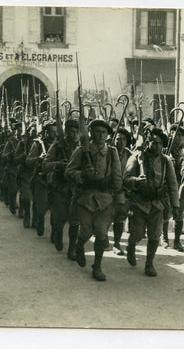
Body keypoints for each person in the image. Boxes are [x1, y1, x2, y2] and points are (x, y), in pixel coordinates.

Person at [65, 120, 126, 281]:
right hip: (85, 198)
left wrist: (120, 201)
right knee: (85, 232)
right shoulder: (81, 151)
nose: (100, 135)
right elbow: (69, 171)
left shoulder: (112, 153)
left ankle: (97, 266)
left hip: (105, 200)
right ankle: (79, 246)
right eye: (97, 131)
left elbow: (118, 178)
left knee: (101, 233)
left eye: (104, 132)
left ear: (107, 135)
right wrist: (83, 175)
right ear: (90, 133)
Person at [124, 128, 179, 277]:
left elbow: (173, 184)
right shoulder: (136, 158)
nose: (156, 146)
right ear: (147, 142)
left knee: (155, 235)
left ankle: (149, 263)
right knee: (137, 233)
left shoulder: (166, 161)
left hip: (157, 203)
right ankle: (131, 245)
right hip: (139, 202)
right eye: (153, 142)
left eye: (160, 143)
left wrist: (176, 206)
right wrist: (135, 180)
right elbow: (125, 179)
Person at [43, 119, 80, 253]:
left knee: (75, 220)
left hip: (76, 188)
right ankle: (58, 235)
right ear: (65, 131)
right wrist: (58, 164)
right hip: (59, 188)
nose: (74, 135)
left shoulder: (82, 147)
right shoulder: (57, 146)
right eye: (71, 131)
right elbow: (45, 165)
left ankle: (72, 248)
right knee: (60, 218)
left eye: (77, 132)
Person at [26, 120, 57, 236]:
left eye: (55, 131)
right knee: (41, 205)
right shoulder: (38, 144)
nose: (54, 134)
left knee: (55, 208)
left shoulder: (59, 145)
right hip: (41, 180)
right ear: (45, 132)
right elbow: (28, 161)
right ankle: (39, 220)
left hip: (55, 181)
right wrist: (39, 158)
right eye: (51, 132)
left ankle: (55, 232)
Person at [163, 122, 184, 251]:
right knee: (166, 211)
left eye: (181, 135)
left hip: (181, 185)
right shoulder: (164, 150)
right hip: (167, 186)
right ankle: (164, 237)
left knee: (179, 212)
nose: (178, 138)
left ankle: (177, 240)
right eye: (175, 134)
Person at [111, 127, 133, 255]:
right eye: (118, 139)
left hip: (121, 190)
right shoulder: (108, 151)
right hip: (107, 188)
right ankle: (101, 238)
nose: (121, 142)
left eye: (124, 139)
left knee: (120, 216)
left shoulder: (130, 155)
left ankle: (117, 243)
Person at [14, 123, 37, 229]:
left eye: (36, 132)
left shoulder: (40, 144)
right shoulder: (22, 144)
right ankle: (27, 215)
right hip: (25, 174)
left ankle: (36, 218)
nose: (34, 134)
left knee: (37, 199)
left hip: (37, 174)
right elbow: (16, 159)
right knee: (27, 197)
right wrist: (23, 156)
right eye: (32, 132)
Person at [2, 120, 22, 214]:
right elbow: (4, 155)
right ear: (15, 132)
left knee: (24, 192)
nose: (20, 133)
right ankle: (12, 203)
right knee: (13, 189)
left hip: (23, 169)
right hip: (12, 168)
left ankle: (23, 210)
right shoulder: (11, 142)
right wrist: (10, 154)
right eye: (18, 131)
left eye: (21, 131)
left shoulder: (25, 141)